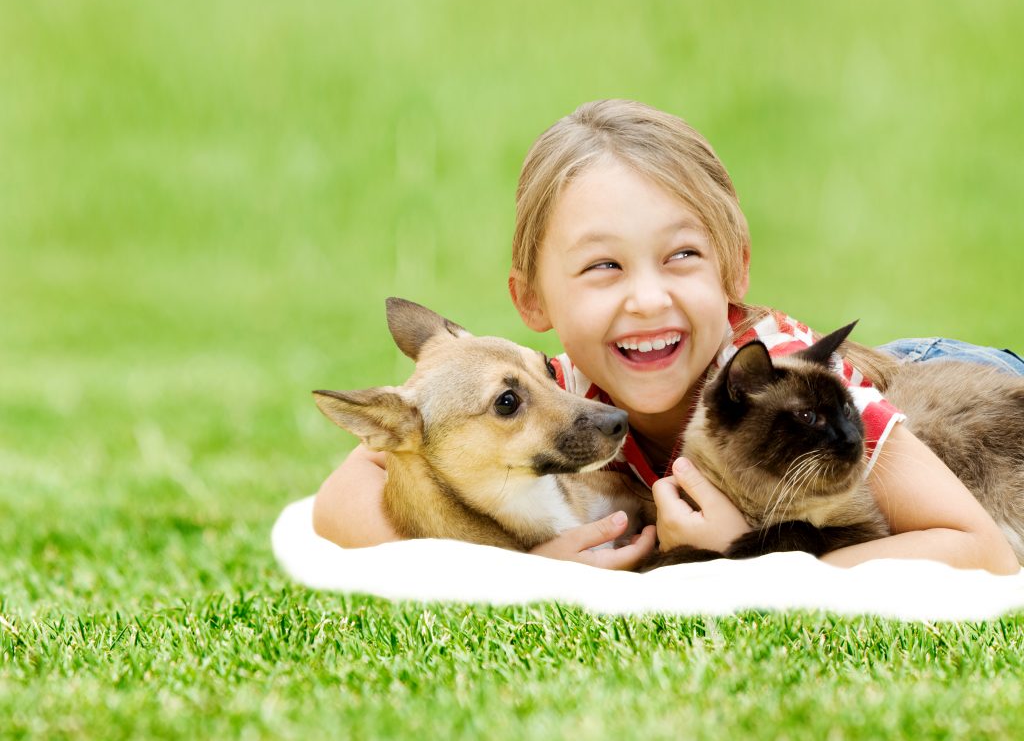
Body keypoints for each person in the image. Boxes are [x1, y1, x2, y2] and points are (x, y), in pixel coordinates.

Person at [313, 99, 1021, 575]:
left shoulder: (786, 382)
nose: (647, 298)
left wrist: (749, 558)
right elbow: (341, 499)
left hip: (956, 385)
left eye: (681, 255)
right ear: (532, 299)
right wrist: (533, 568)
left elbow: (978, 545)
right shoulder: (557, 393)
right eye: (603, 266)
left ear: (734, 267)